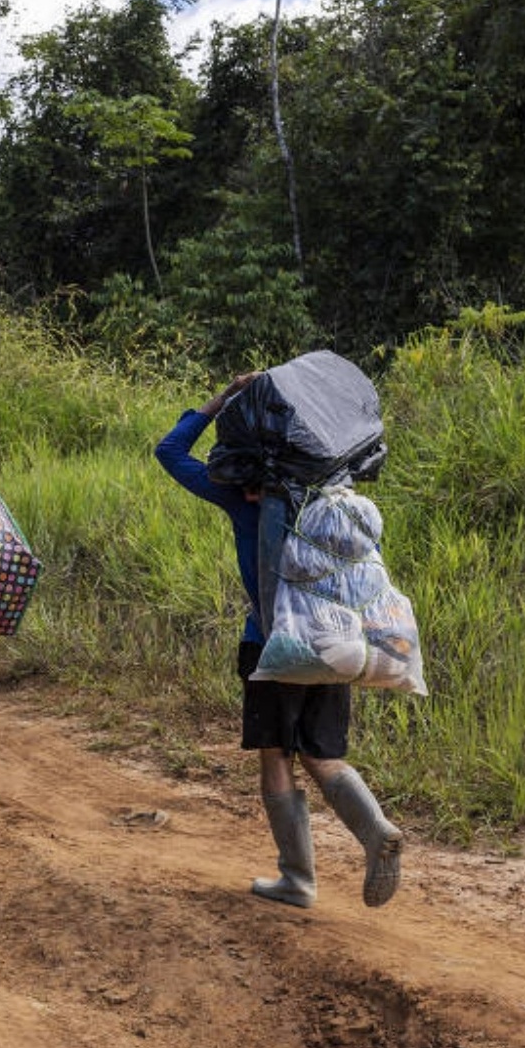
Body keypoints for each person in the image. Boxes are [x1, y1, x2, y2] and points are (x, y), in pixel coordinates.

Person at [155, 373, 403, 910]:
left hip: (274, 645)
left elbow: (169, 451)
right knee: (325, 754)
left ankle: (297, 877)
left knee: (277, 756)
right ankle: (375, 826)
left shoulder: (244, 501)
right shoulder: (332, 499)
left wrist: (223, 395)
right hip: (339, 645)